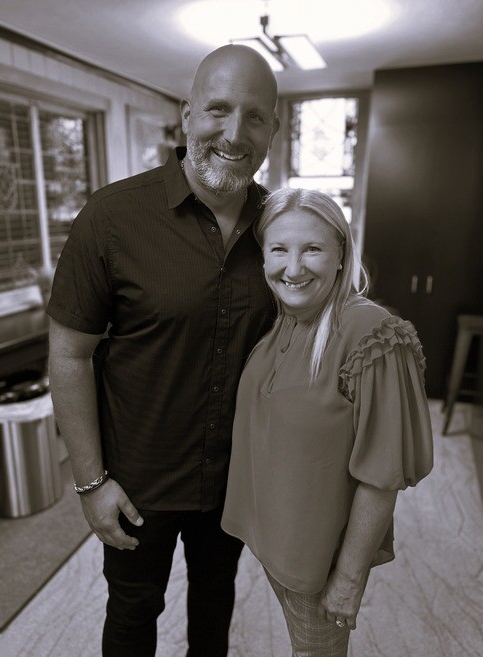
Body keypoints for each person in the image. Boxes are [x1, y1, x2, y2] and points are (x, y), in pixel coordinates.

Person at [46, 44, 280, 657]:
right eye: (218, 109)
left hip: (233, 479)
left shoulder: (280, 227)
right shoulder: (112, 217)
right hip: (136, 482)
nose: (235, 133)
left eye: (255, 117)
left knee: (215, 599)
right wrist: (90, 483)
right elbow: (68, 355)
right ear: (186, 114)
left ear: (273, 131)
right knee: (132, 613)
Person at [221, 188, 434, 657]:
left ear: (341, 253)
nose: (293, 268)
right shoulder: (285, 317)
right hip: (276, 542)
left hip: (317, 563)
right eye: (279, 249)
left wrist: (348, 579)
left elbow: (382, 475)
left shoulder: (371, 334)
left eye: (313, 248)